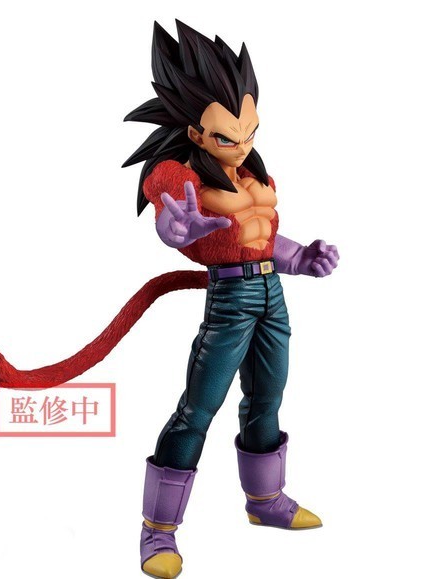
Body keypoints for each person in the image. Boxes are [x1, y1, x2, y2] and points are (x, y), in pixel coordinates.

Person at [123, 20, 339, 579]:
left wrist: (301, 257)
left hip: (271, 294)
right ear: (195, 132)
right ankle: (158, 529)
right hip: (231, 300)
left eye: (250, 131)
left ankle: (265, 500)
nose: (242, 145)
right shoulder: (178, 173)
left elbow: (261, 240)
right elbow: (172, 214)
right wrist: (176, 229)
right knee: (199, 408)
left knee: (267, 397)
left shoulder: (251, 173)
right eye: (226, 137)